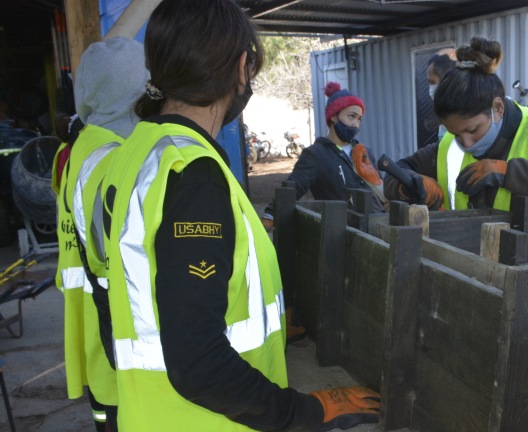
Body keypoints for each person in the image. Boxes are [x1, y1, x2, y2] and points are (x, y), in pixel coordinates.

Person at [100, 0, 380, 430]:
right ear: (242, 67)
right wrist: (303, 412)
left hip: (151, 414)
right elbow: (197, 361)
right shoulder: (194, 175)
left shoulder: (137, 152)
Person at [384, 36, 528, 262]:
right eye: (457, 134)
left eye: (473, 130)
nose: (467, 144)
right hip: (496, 286)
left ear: (497, 107)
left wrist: (509, 173)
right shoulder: (450, 147)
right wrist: (412, 184)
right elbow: (398, 171)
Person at [54, 36, 149, 432]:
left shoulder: (80, 147)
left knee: (105, 416)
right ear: (136, 93)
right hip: (120, 341)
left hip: (96, 333)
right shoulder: (115, 159)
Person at [263, 81, 384, 226]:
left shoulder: (364, 153)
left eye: (359, 119)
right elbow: (292, 188)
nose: (356, 124)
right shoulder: (316, 155)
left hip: (378, 227)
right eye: (351, 116)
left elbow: (381, 191)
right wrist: (270, 214)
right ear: (333, 116)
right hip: (344, 233)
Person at [425, 49, 457, 142]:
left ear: (446, 81)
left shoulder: (462, 115)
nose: (430, 89)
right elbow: (438, 148)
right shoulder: (445, 113)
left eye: (432, 82)